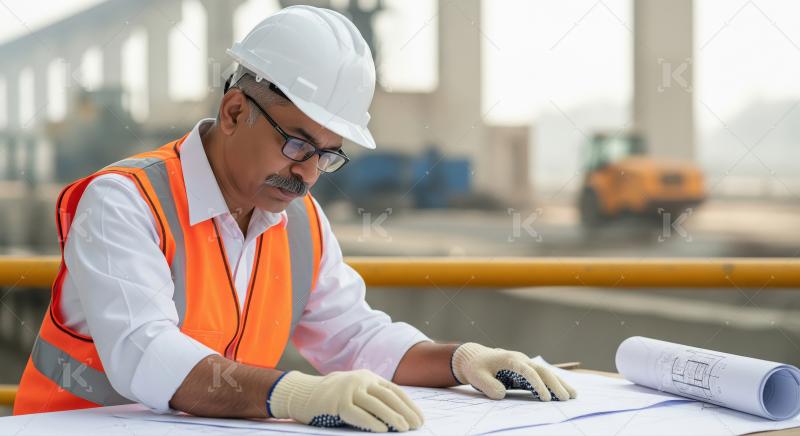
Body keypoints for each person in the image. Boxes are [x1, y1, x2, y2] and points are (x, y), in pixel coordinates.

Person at [13, 5, 576, 432]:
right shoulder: (125, 202)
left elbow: (356, 338)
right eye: (297, 144)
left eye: (328, 155)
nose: (309, 174)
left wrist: (458, 359)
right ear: (234, 112)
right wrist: (295, 395)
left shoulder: (300, 225)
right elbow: (145, 355)